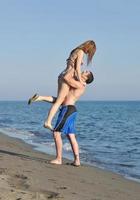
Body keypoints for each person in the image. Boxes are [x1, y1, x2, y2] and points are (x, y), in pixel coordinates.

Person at [28, 69, 94, 166]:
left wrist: (72, 68)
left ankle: (59, 159)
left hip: (67, 110)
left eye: (86, 72)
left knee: (56, 133)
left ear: (86, 78)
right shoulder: (79, 84)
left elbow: (66, 78)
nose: (83, 71)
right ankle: (77, 160)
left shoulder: (80, 85)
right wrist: (41, 98)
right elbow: (60, 99)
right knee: (70, 135)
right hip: (71, 110)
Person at [28, 40, 96, 131]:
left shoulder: (75, 51)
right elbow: (77, 69)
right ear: (88, 48)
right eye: (90, 51)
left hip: (63, 75)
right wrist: (80, 80)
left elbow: (72, 64)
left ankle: (39, 97)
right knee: (59, 102)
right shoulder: (81, 52)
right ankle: (47, 122)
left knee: (61, 99)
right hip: (66, 77)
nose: (88, 53)